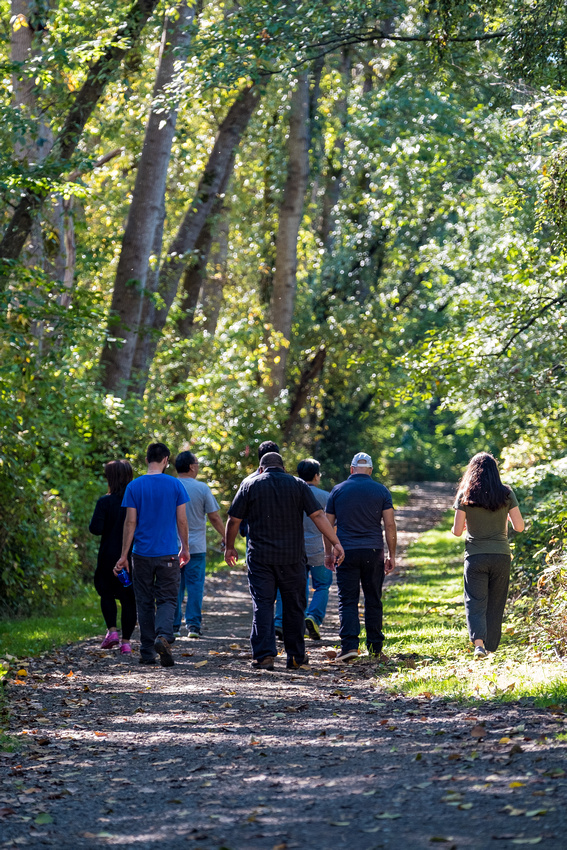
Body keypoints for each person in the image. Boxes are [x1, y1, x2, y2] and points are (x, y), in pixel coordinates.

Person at [224, 452, 345, 671]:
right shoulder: (298, 485)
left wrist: (230, 546)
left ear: (261, 469)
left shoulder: (250, 485)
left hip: (261, 558)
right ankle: (296, 656)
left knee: (262, 604)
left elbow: (233, 519)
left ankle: (264, 656)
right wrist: (335, 542)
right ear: (284, 468)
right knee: (294, 606)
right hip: (292, 558)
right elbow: (318, 515)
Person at [114, 442, 190, 667]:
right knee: (167, 598)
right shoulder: (175, 485)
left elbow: (130, 522)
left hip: (141, 554)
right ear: (166, 460)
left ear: (147, 459)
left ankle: (147, 651)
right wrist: (185, 547)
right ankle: (163, 636)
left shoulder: (134, 486)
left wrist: (123, 555)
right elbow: (182, 520)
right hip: (167, 553)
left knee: (144, 601)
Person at [451, 451, 524, 659]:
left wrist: (463, 525)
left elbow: (457, 531)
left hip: (475, 556)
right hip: (501, 555)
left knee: (475, 600)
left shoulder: (465, 494)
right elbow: (519, 527)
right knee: (496, 601)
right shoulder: (507, 494)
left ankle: (479, 645)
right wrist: (507, 519)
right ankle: (491, 646)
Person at [325, 451, 397, 662]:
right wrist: (391, 554)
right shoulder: (381, 491)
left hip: (345, 552)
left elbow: (327, 526)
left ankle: (349, 646)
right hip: (373, 551)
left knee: (347, 599)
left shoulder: (337, 490)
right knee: (373, 598)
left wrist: (329, 553)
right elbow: (390, 525)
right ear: (371, 471)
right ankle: (375, 648)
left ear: (351, 469)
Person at [274, 458, 331, 641]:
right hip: (319, 549)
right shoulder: (325, 496)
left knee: (291, 586)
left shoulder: (290, 492)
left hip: (294, 548)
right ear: (316, 476)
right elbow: (331, 524)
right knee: (322, 585)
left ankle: (281, 622)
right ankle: (313, 617)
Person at [173, 450, 225, 638]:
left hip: (172, 546)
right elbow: (214, 517)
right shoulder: (202, 488)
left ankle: (173, 626)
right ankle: (193, 626)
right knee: (195, 586)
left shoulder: (170, 485)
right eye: (197, 463)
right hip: (196, 547)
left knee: (174, 586)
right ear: (192, 466)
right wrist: (226, 535)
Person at [89, 460, 137, 654]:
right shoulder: (136, 502)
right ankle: (126, 642)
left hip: (109, 557)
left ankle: (112, 632)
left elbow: (95, 528)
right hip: (132, 557)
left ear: (111, 478)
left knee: (106, 593)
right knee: (128, 599)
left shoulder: (105, 502)